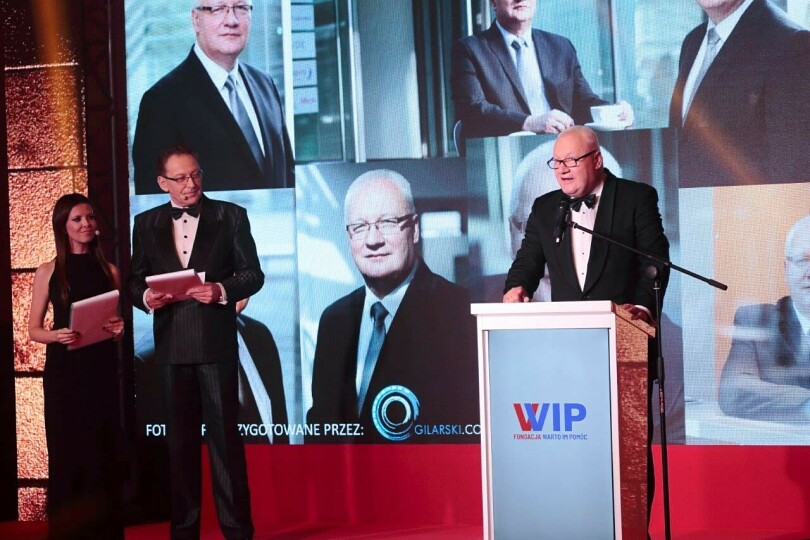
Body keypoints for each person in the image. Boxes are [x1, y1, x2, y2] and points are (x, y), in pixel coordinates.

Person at [128, 145, 263, 539]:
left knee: (225, 444)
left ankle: (237, 531)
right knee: (179, 447)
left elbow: (252, 274)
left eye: (196, 174)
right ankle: (184, 531)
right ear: (162, 183)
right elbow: (134, 280)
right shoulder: (145, 223)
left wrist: (221, 290)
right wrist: (145, 297)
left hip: (216, 343)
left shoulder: (231, 216)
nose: (191, 184)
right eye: (181, 178)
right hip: (171, 346)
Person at [306, 170, 478, 443]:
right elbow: (322, 428)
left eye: (387, 222)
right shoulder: (333, 320)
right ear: (349, 237)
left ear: (415, 229)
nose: (373, 240)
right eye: (359, 227)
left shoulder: (461, 312)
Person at [28, 193, 125, 539]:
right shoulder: (48, 271)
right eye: (77, 219)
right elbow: (33, 330)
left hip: (100, 371)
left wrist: (118, 329)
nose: (86, 224)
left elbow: (114, 324)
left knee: (101, 449)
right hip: (64, 372)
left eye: (90, 218)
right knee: (66, 450)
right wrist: (57, 335)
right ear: (63, 226)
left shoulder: (110, 271)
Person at [504, 126, 669, 321]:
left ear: (597, 160)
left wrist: (643, 309)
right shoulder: (544, 208)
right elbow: (527, 261)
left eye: (571, 160)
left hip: (624, 326)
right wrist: (516, 286)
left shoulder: (636, 198)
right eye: (557, 162)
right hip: (566, 328)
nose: (562, 169)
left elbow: (654, 260)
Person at [132, 0, 294, 194]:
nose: (232, 20)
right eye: (218, 9)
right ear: (196, 20)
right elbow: (155, 197)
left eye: (241, 8)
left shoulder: (265, 85)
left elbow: (287, 177)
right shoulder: (161, 102)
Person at [670, 0, 810, 188]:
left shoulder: (792, 44)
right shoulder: (692, 42)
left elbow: (792, 174)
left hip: (749, 207)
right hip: (689, 204)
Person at [450, 0, 632, 140]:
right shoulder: (469, 50)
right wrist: (529, 123)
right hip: (506, 158)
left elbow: (583, 101)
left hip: (565, 152)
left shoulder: (561, 47)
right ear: (492, 3)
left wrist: (615, 112)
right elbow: (472, 111)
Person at [719, 215, 810, 423]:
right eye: (803, 260)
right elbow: (733, 391)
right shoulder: (755, 320)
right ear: (786, 269)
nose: (809, 273)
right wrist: (806, 402)